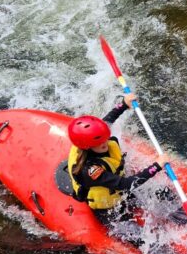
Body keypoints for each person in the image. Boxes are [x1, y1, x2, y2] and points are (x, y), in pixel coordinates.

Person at [67, 93, 168, 237]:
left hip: (118, 193)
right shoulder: (91, 170)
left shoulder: (96, 137)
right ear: (87, 147)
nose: (105, 143)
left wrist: (124, 104)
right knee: (138, 236)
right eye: (99, 143)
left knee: (163, 194)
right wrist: (156, 166)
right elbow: (126, 184)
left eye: (105, 138)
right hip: (107, 209)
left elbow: (108, 119)